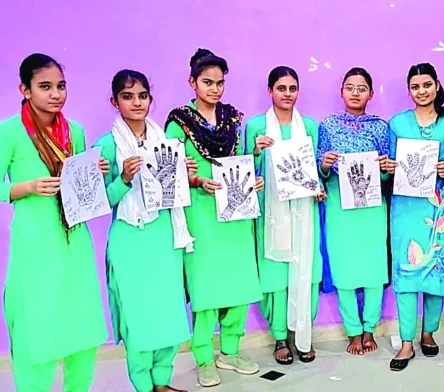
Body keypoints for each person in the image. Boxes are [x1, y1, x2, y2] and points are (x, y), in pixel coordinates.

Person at [0, 53, 107, 391]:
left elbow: (80, 190)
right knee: (38, 325)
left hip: (74, 239)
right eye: (45, 86)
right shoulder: (10, 131)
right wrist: (25, 187)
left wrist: (95, 174)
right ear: (25, 89)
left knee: (82, 323)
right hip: (35, 243)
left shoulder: (74, 131)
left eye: (61, 86)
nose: (55, 94)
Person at [165, 48, 263, 387]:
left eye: (220, 83)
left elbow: (240, 160)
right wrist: (193, 179)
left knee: (239, 282)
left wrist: (254, 170)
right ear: (192, 82)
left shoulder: (233, 119)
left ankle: (231, 350)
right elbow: (167, 170)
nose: (215, 89)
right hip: (201, 211)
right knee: (206, 288)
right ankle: (204, 356)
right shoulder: (179, 121)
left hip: (236, 211)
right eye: (207, 82)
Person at [94, 69, 195, 392]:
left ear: (151, 99)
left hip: (164, 235)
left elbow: (174, 191)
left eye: (142, 95)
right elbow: (99, 202)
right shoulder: (107, 146)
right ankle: (141, 383)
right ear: (115, 101)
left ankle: (162, 382)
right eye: (127, 96)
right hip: (130, 238)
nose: (136, 103)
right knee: (138, 315)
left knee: (167, 311)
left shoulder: (164, 141)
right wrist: (123, 179)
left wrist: (185, 173)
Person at [245, 66, 325, 365]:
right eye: (281, 88)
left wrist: (317, 186)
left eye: (292, 88)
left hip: (304, 210)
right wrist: (255, 151)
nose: (287, 94)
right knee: (276, 273)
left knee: (306, 270)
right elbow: (242, 167)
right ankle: (280, 337)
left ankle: (302, 335)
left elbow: (313, 168)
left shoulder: (310, 126)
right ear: (270, 91)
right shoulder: (256, 126)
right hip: (271, 212)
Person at [386, 63, 444, 371]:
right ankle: (406, 342)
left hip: (440, 206)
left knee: (436, 268)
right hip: (406, 208)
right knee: (406, 271)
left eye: (427, 85)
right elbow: (388, 164)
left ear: (436, 86)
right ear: (410, 91)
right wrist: (388, 167)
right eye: (415, 87)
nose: (421, 91)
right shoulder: (397, 123)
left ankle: (428, 333)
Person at [316, 67, 389, 356]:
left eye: (362, 88)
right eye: (350, 87)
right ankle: (353, 332)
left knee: (373, 269)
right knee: (344, 269)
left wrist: (384, 169)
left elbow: (388, 173)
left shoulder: (381, 127)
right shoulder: (328, 125)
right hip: (340, 208)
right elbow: (319, 172)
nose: (356, 93)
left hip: (371, 209)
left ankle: (370, 328)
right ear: (342, 91)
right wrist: (325, 163)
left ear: (371, 93)